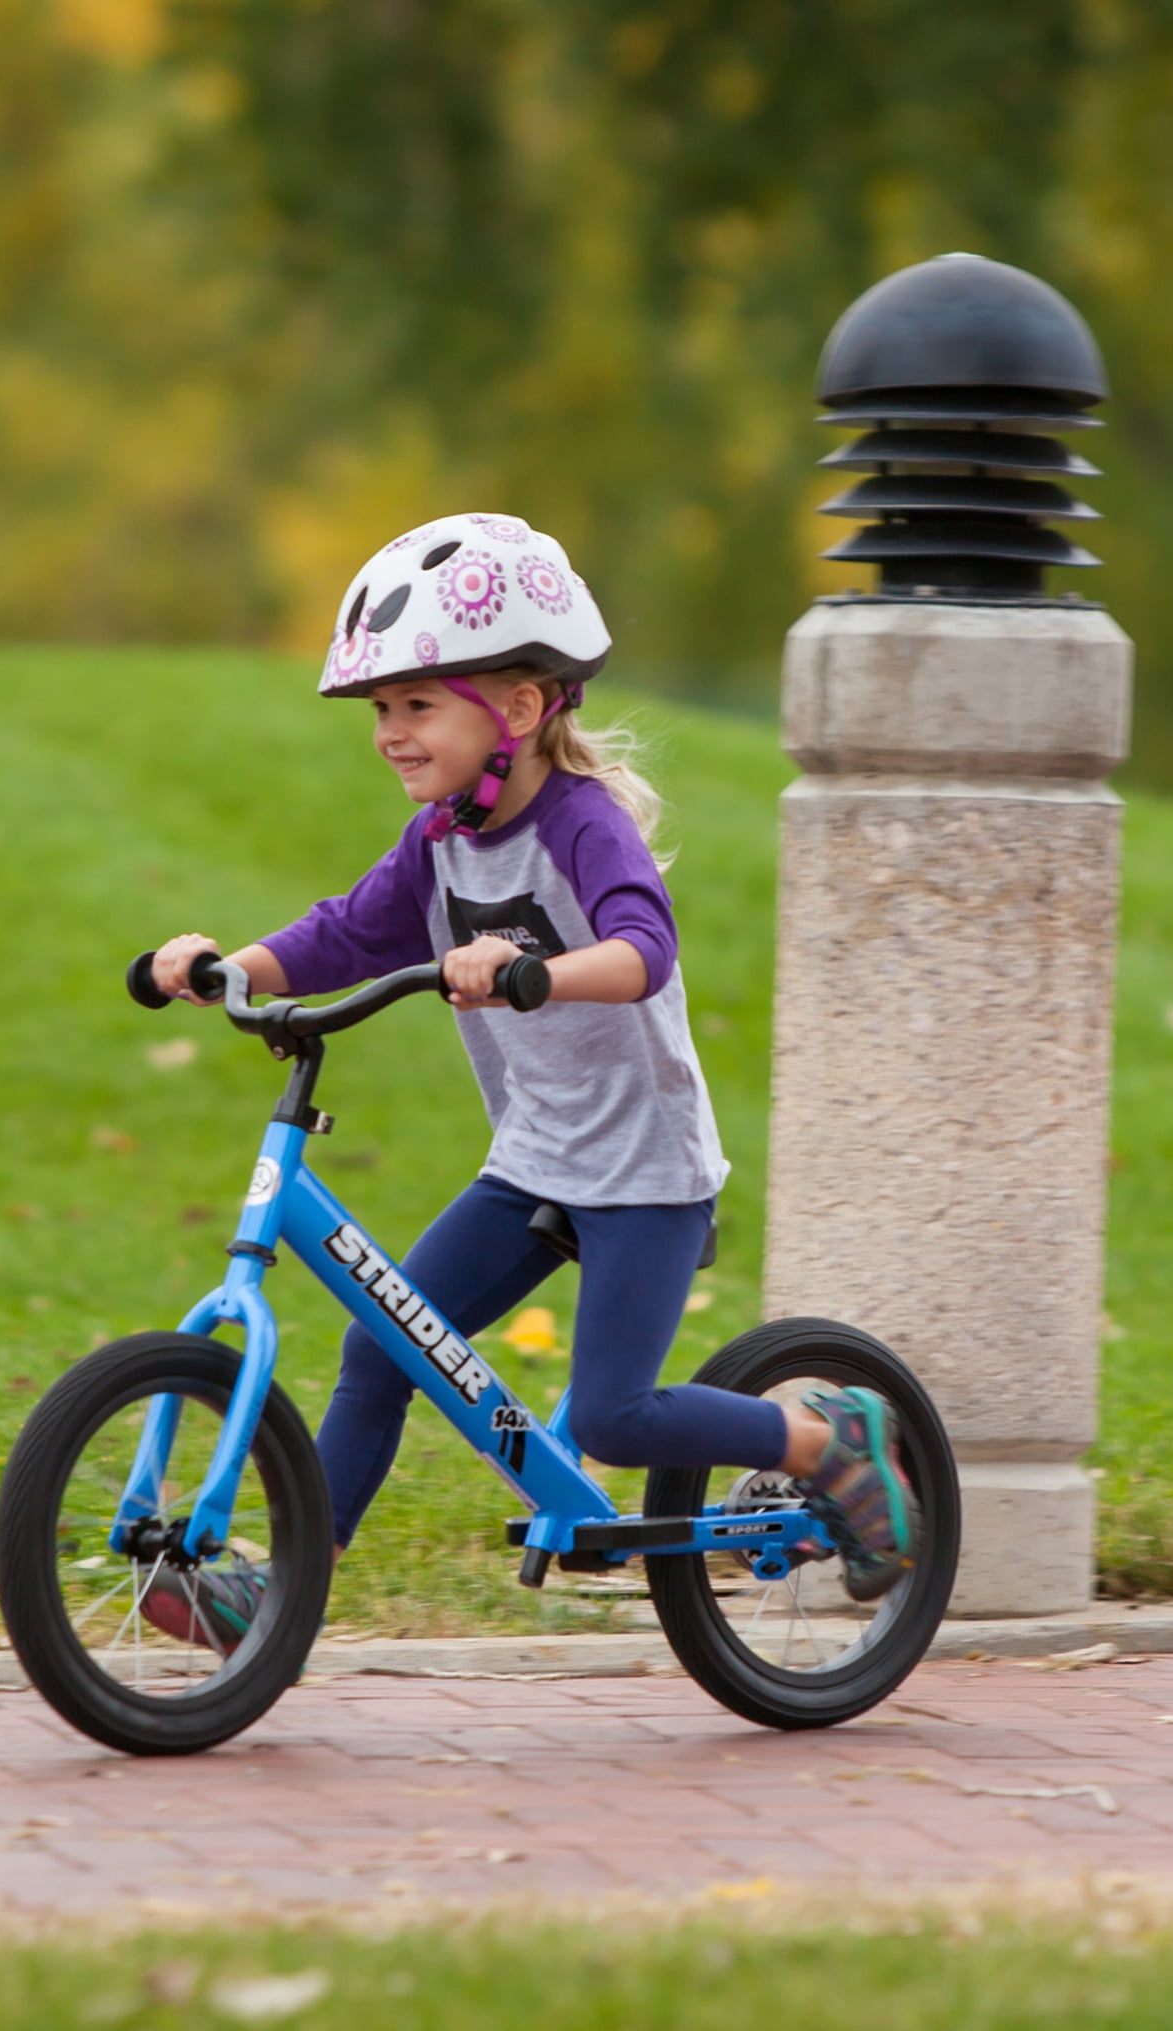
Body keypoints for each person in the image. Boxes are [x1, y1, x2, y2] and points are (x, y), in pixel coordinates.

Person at [141, 513, 915, 1652]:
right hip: (537, 1158)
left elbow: (644, 949)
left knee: (612, 1413)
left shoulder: (582, 824)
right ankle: (288, 1591)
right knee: (382, 1343)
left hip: (644, 1169)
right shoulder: (443, 838)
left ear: (516, 707)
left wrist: (533, 973)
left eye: (417, 705)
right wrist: (223, 970)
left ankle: (825, 1445)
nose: (391, 735)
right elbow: (344, 934)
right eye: (382, 711)